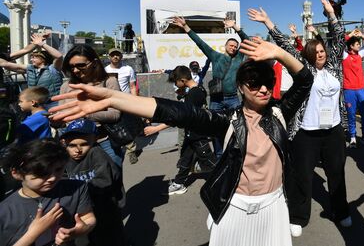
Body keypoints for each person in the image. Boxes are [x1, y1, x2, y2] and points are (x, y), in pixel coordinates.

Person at [49, 37, 313, 246]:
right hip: (236, 206)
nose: (264, 89)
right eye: (254, 83)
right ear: (241, 87)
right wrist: (112, 98)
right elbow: (176, 111)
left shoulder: (280, 113)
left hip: (274, 204)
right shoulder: (226, 120)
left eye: (268, 82)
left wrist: (279, 53)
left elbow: (305, 79)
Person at [248, 0, 351, 237]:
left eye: (322, 51)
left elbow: (339, 38)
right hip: (306, 132)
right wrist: (268, 23)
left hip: (334, 131)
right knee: (302, 176)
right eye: (315, 52)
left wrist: (331, 14)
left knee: (337, 174)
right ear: (308, 54)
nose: (320, 55)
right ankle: (298, 216)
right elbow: (285, 45)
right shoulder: (303, 67)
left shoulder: (335, 66)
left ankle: (341, 211)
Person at [170, 16, 249, 158]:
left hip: (233, 99)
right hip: (216, 100)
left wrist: (236, 27)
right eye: (231, 45)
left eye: (235, 46)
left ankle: (235, 153)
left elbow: (247, 42)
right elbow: (199, 42)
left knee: (237, 127)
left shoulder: (239, 58)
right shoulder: (215, 56)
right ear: (225, 46)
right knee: (214, 129)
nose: (233, 47)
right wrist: (186, 26)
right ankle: (219, 156)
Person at [0, 139, 96, 246]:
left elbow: (87, 217)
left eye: (58, 169)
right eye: (43, 173)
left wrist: (81, 229)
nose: (52, 177)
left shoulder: (76, 188)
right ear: (17, 173)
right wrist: (34, 233)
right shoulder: (4, 211)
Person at [144, 65, 217, 195]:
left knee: (211, 164)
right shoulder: (199, 89)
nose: (176, 86)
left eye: (176, 82)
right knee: (185, 159)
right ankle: (179, 183)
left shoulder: (193, 95)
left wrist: (156, 128)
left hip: (197, 135)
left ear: (182, 80)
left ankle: (228, 182)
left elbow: (179, 118)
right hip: (192, 134)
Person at [60, 118, 126, 246]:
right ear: (65, 142)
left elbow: (105, 180)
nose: (78, 150)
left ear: (94, 140)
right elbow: (61, 178)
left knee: (111, 237)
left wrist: (78, 192)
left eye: (84, 144)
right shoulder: (64, 159)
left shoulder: (97, 153)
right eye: (72, 145)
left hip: (105, 206)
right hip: (82, 209)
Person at [59, 45, 123, 167]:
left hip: (104, 142)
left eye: (81, 65)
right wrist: (55, 119)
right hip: (75, 147)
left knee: (112, 180)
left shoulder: (109, 82)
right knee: (82, 184)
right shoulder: (66, 86)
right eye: (71, 66)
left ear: (94, 62)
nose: (75, 70)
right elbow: (62, 114)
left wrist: (86, 113)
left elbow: (115, 114)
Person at [0, 33, 63, 108]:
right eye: (31, 57)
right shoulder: (30, 68)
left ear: (43, 59)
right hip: (36, 105)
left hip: (52, 103)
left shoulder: (53, 69)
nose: (31, 59)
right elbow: (5, 64)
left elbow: (59, 56)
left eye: (34, 57)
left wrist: (41, 43)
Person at [104, 47, 140, 165]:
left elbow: (132, 86)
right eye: (113, 55)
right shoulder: (105, 70)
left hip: (125, 101)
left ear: (121, 56)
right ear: (109, 57)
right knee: (115, 127)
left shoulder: (128, 69)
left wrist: (135, 101)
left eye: (117, 55)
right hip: (111, 102)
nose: (115, 57)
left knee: (127, 126)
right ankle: (118, 148)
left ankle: (131, 150)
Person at [342, 31, 364, 147]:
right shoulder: (345, 55)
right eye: (357, 44)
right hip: (349, 90)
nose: (359, 45)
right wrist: (350, 35)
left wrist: (362, 36)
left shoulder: (359, 54)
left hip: (361, 89)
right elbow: (340, 44)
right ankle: (352, 137)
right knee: (351, 114)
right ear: (351, 46)